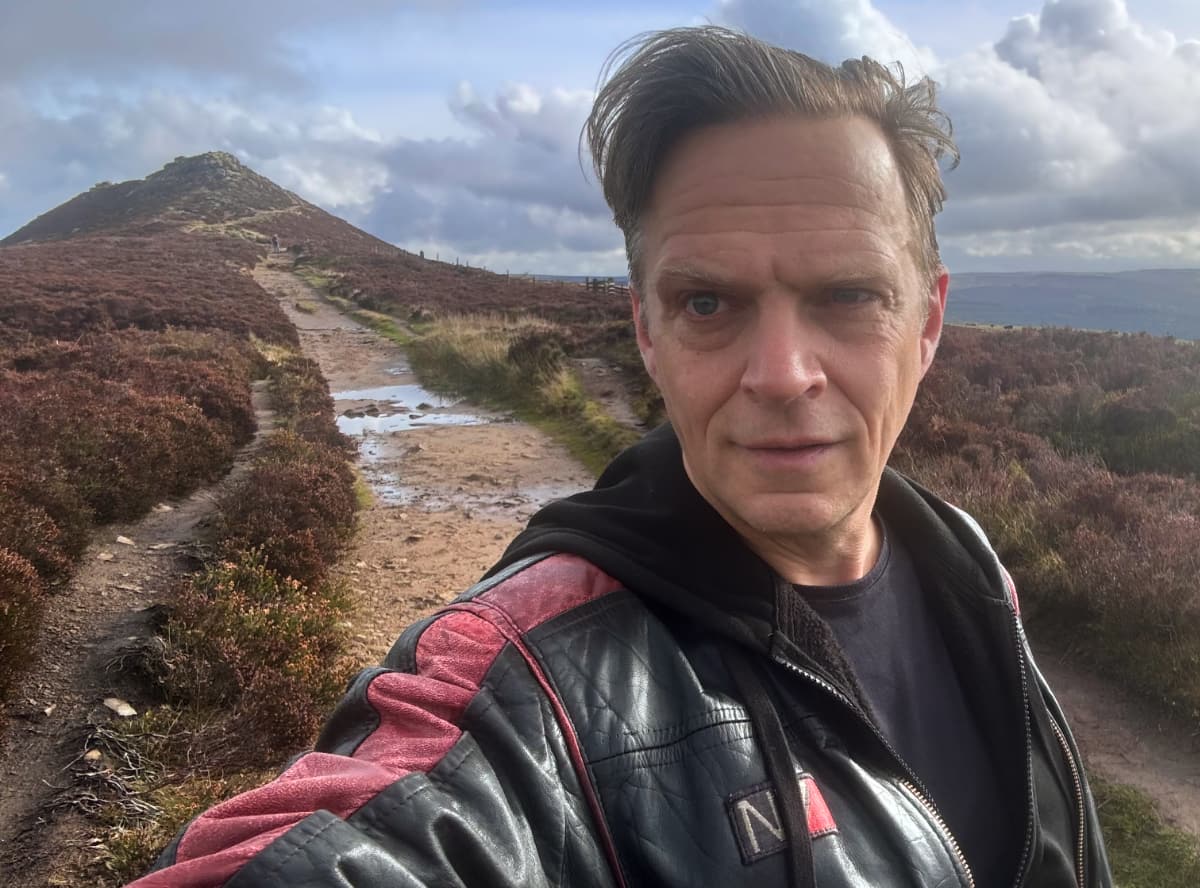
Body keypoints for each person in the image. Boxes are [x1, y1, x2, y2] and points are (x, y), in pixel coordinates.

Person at [129, 26, 1111, 888]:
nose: (780, 373)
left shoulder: (968, 566)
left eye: (848, 295)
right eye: (708, 304)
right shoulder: (532, 674)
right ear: (646, 329)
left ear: (928, 320)